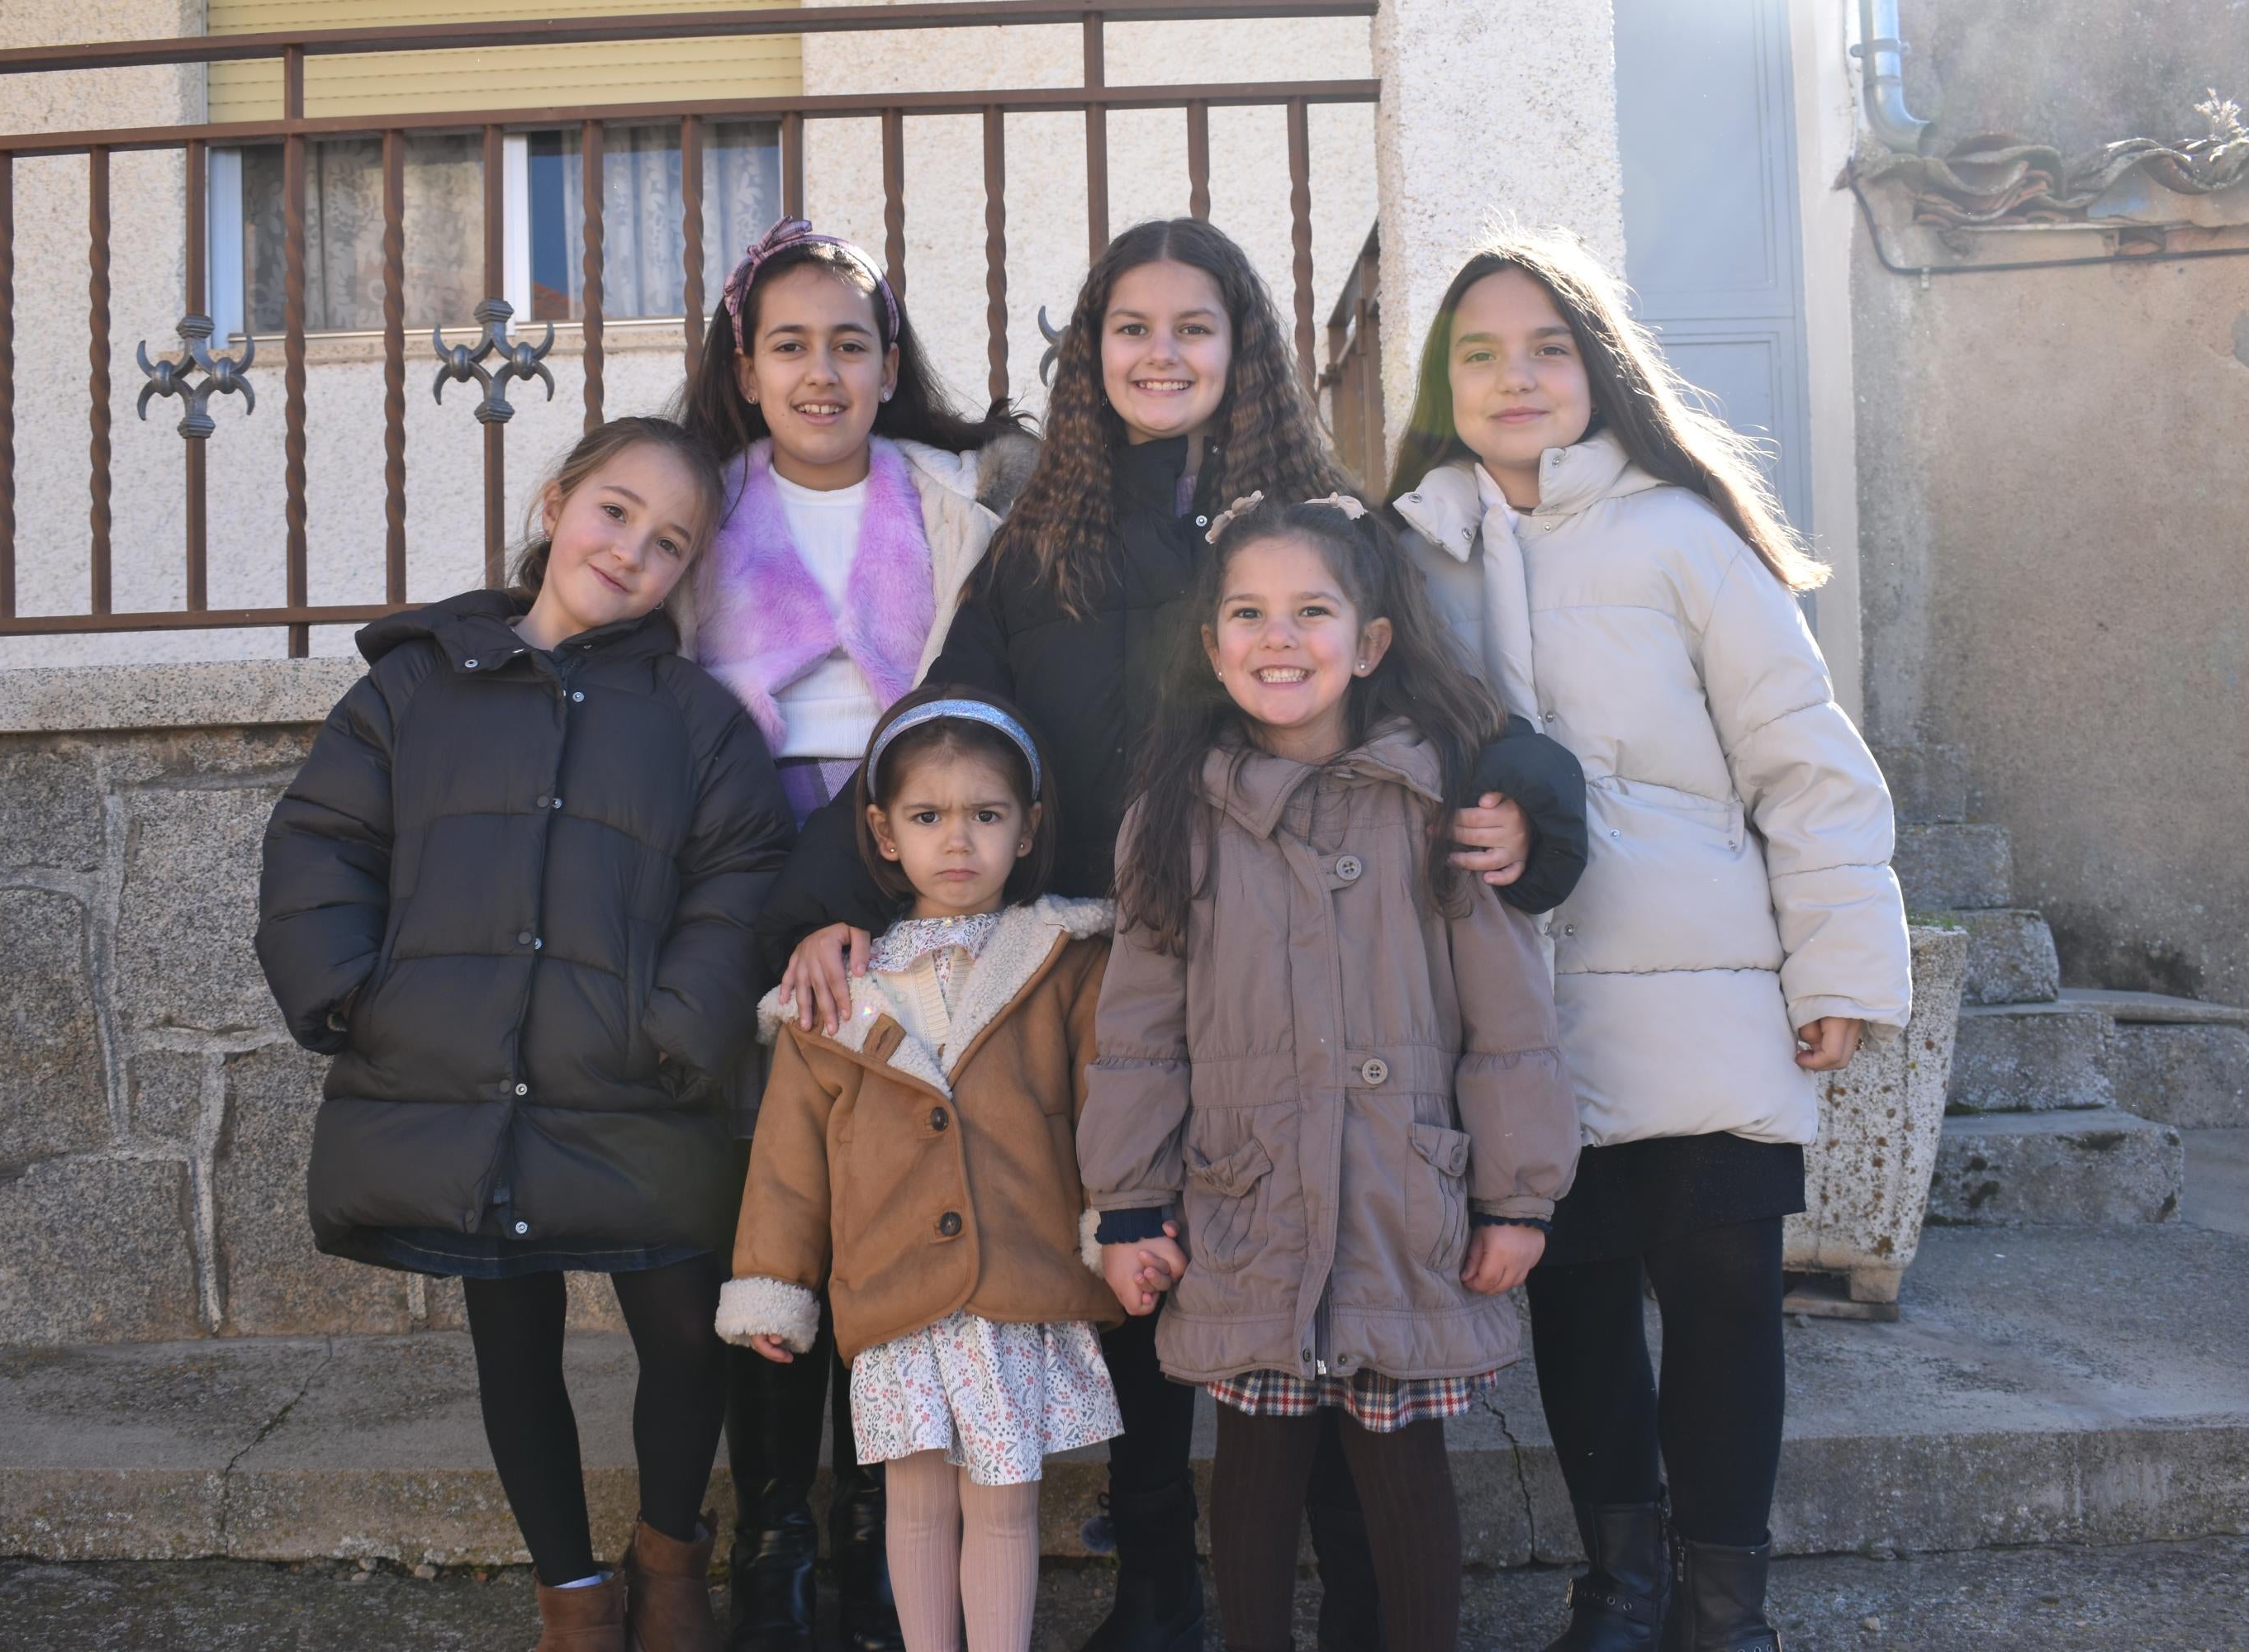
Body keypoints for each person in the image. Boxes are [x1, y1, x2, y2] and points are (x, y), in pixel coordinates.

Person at [763, 216, 1590, 1652]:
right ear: (1090, 355)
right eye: (1129, 328)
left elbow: (1464, 712)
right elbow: (942, 733)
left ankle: (1365, 1610)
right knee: (1140, 1276)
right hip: (1112, 968)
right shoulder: (1044, 545)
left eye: (1191, 327)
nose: (1161, 353)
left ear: (1241, 347)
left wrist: (1534, 801)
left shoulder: (1331, 532)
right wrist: (832, 897)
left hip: (1320, 970)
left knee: (1331, 1306)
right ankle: (1161, 1588)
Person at [1388, 230, 1910, 1652]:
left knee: (1731, 1288)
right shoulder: (1405, 551)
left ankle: (1724, 1607)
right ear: (1441, 382)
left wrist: (1842, 962)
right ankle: (1619, 1589)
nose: (1516, 377)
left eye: (1549, 347)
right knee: (1577, 1294)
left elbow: (1802, 760)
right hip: (1516, 1007)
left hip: (1707, 982)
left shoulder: (1683, 536)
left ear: (1601, 371)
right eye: (1480, 353)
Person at [254, 417, 791, 1652]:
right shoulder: (413, 685)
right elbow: (322, 838)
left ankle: (669, 1555)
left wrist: (680, 1027)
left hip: (637, 1080)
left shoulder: (698, 721)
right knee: (513, 1335)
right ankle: (572, 1593)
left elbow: (739, 880)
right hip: (461, 1078)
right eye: (614, 512)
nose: (631, 551)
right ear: (556, 504)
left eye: (669, 543)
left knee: (682, 1329)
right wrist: (351, 993)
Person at [1079, 493, 1582, 1652]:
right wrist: (1129, 1201)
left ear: (1369, 643)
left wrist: (1518, 1193)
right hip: (1250, 1195)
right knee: (1253, 1473)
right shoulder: (1175, 818)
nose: (1279, 637)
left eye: (1313, 611)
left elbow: (1509, 1021)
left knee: (1403, 1472)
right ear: (1211, 645)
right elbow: (1139, 1032)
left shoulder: (1439, 804)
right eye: (1248, 613)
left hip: (1402, 1195)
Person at [675, 214, 1038, 1652]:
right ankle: (774, 1536)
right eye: (788, 346)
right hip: (746, 882)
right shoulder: (697, 507)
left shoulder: (960, 505)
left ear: (890, 364)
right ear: (745, 368)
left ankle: (887, 1539)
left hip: (912, 878)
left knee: (900, 1207)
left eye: (849, 343)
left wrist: (872, 890)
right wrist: (782, 914)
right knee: (778, 1213)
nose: (820, 371)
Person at [716, 686, 1127, 1652]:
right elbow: (786, 1155)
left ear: (1028, 830)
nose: (959, 841)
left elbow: (1111, 1101)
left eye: (987, 815)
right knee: (912, 1503)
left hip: (1016, 1282)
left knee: (1004, 1500)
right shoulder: (841, 984)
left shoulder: (1062, 957)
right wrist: (775, 1285)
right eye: (928, 816)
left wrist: (1119, 1221)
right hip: (896, 1285)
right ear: (883, 831)